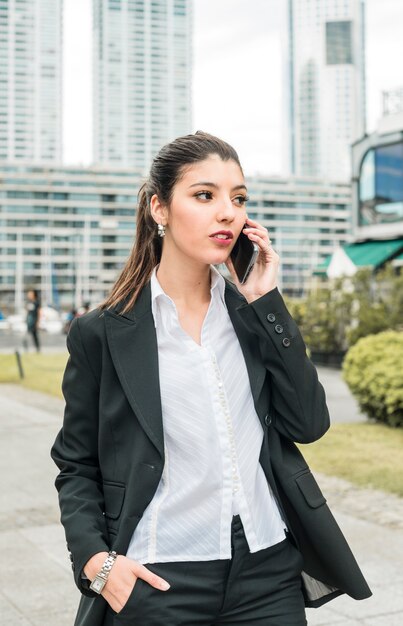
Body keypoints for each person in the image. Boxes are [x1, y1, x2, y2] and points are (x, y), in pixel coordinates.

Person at [51, 132, 371, 626]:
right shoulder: (103, 333)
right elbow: (76, 462)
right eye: (205, 195)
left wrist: (268, 304)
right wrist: (96, 561)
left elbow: (309, 423)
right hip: (160, 577)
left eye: (238, 198)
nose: (228, 212)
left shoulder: (251, 318)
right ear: (160, 208)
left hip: (267, 573)